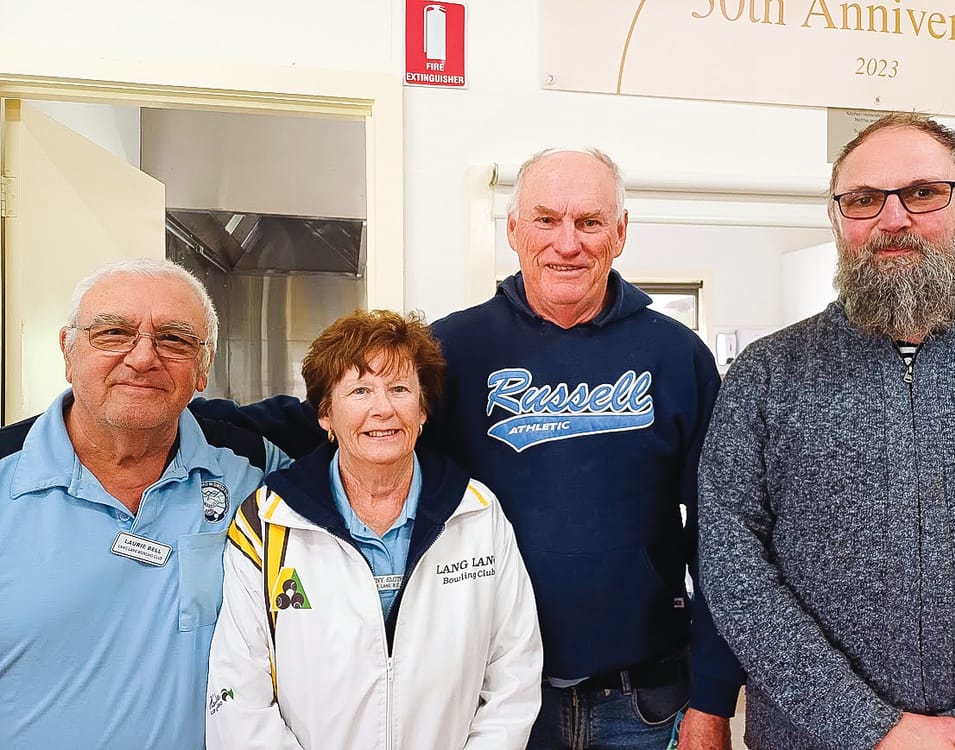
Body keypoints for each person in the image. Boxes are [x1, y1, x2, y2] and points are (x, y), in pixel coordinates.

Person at [190, 148, 743, 749]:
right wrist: (173, 413)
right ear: (513, 230)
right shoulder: (456, 346)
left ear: (620, 232)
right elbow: (339, 421)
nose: (567, 243)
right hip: (497, 699)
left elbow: (722, 534)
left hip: (642, 699)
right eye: (546, 219)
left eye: (589, 222)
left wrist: (713, 697)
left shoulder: (677, 356)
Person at [698, 112, 955, 750]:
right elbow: (731, 565)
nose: (893, 220)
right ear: (837, 219)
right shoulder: (767, 374)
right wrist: (868, 726)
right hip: (816, 738)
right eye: (862, 200)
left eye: (922, 193)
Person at [205, 310, 542, 749]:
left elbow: (513, 675)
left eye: (400, 389)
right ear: (325, 414)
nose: (382, 408)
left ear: (422, 410)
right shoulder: (268, 521)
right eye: (360, 390)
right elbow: (238, 695)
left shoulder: (476, 514)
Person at [0, 258, 288, 749]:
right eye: (114, 333)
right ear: (68, 352)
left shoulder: (255, 473)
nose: (142, 357)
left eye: (174, 339)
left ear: (203, 370)